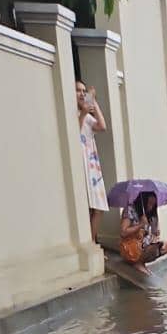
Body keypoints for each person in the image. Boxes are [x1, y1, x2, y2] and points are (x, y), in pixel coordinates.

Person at [75, 80, 108, 243]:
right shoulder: (74, 114)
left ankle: (92, 242)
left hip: (92, 164)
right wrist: (82, 113)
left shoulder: (87, 116)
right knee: (87, 207)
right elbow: (74, 132)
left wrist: (93, 101)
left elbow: (102, 126)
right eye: (78, 90)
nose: (81, 94)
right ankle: (91, 244)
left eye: (83, 91)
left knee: (98, 207)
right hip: (81, 163)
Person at [120, 192, 167, 274]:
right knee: (154, 249)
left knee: (166, 246)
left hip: (143, 245)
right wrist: (140, 225)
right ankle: (137, 263)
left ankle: (141, 262)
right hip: (130, 247)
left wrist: (156, 233)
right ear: (143, 201)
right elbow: (123, 232)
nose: (150, 207)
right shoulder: (130, 209)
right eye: (150, 203)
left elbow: (151, 235)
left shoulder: (148, 213)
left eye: (153, 205)